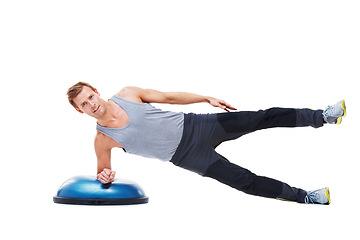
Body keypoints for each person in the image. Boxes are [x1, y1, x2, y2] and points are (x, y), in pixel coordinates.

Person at [67, 82, 346, 205]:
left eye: (90, 97)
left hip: (199, 125)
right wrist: (105, 177)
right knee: (244, 182)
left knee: (263, 117)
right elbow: (103, 174)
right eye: (84, 105)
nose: (91, 104)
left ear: (96, 91)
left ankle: (322, 116)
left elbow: (169, 98)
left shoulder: (127, 94)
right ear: (81, 111)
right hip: (189, 157)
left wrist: (205, 97)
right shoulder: (103, 140)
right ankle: (307, 197)